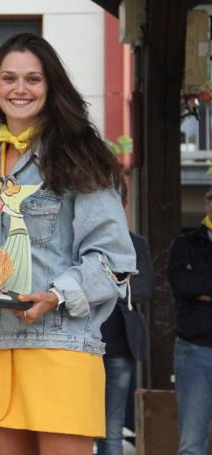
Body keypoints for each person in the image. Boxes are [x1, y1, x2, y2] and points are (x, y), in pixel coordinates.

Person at [0, 33, 136, 455]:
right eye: (9, 78)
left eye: (33, 79)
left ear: (50, 86)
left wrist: (56, 294)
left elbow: (114, 260)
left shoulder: (80, 153)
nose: (20, 89)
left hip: (57, 342)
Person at [97, 183, 155, 455]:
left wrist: (101, 283)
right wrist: (122, 281)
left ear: (124, 204)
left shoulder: (137, 244)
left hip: (120, 348)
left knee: (112, 428)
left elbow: (145, 289)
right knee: (77, 425)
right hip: (83, 345)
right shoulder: (86, 241)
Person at [167, 190, 212, 455]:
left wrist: (203, 289)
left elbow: (196, 284)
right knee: (192, 442)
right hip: (194, 348)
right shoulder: (184, 244)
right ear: (208, 204)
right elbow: (183, 285)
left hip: (194, 346)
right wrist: (197, 288)